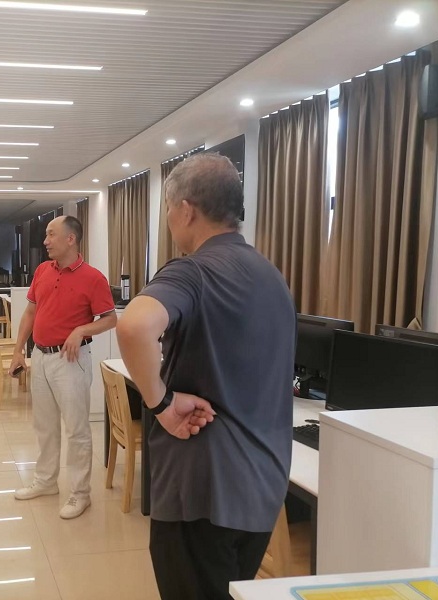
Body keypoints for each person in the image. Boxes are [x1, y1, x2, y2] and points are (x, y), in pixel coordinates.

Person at [116, 153, 296, 599]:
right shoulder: (272, 277)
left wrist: (161, 403)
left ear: (186, 210)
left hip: (202, 489)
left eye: (168, 210)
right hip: (262, 488)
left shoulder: (193, 270)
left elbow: (134, 326)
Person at [9, 216, 117, 519]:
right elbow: (30, 312)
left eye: (51, 235)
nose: (45, 241)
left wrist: (81, 330)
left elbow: (110, 319)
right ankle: (46, 482)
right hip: (41, 356)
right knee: (44, 426)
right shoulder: (43, 270)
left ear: (71, 239)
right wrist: (18, 351)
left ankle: (80, 494)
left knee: (76, 430)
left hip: (71, 361)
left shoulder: (93, 278)